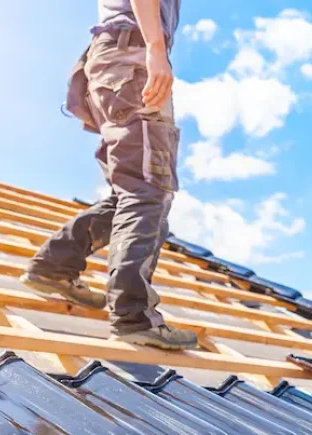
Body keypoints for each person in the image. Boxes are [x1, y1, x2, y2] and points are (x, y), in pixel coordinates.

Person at [21, 0, 198, 350]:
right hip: (131, 58)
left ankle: (54, 267)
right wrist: (156, 50)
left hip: (112, 63)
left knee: (131, 192)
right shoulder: (145, 45)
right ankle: (134, 317)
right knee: (149, 189)